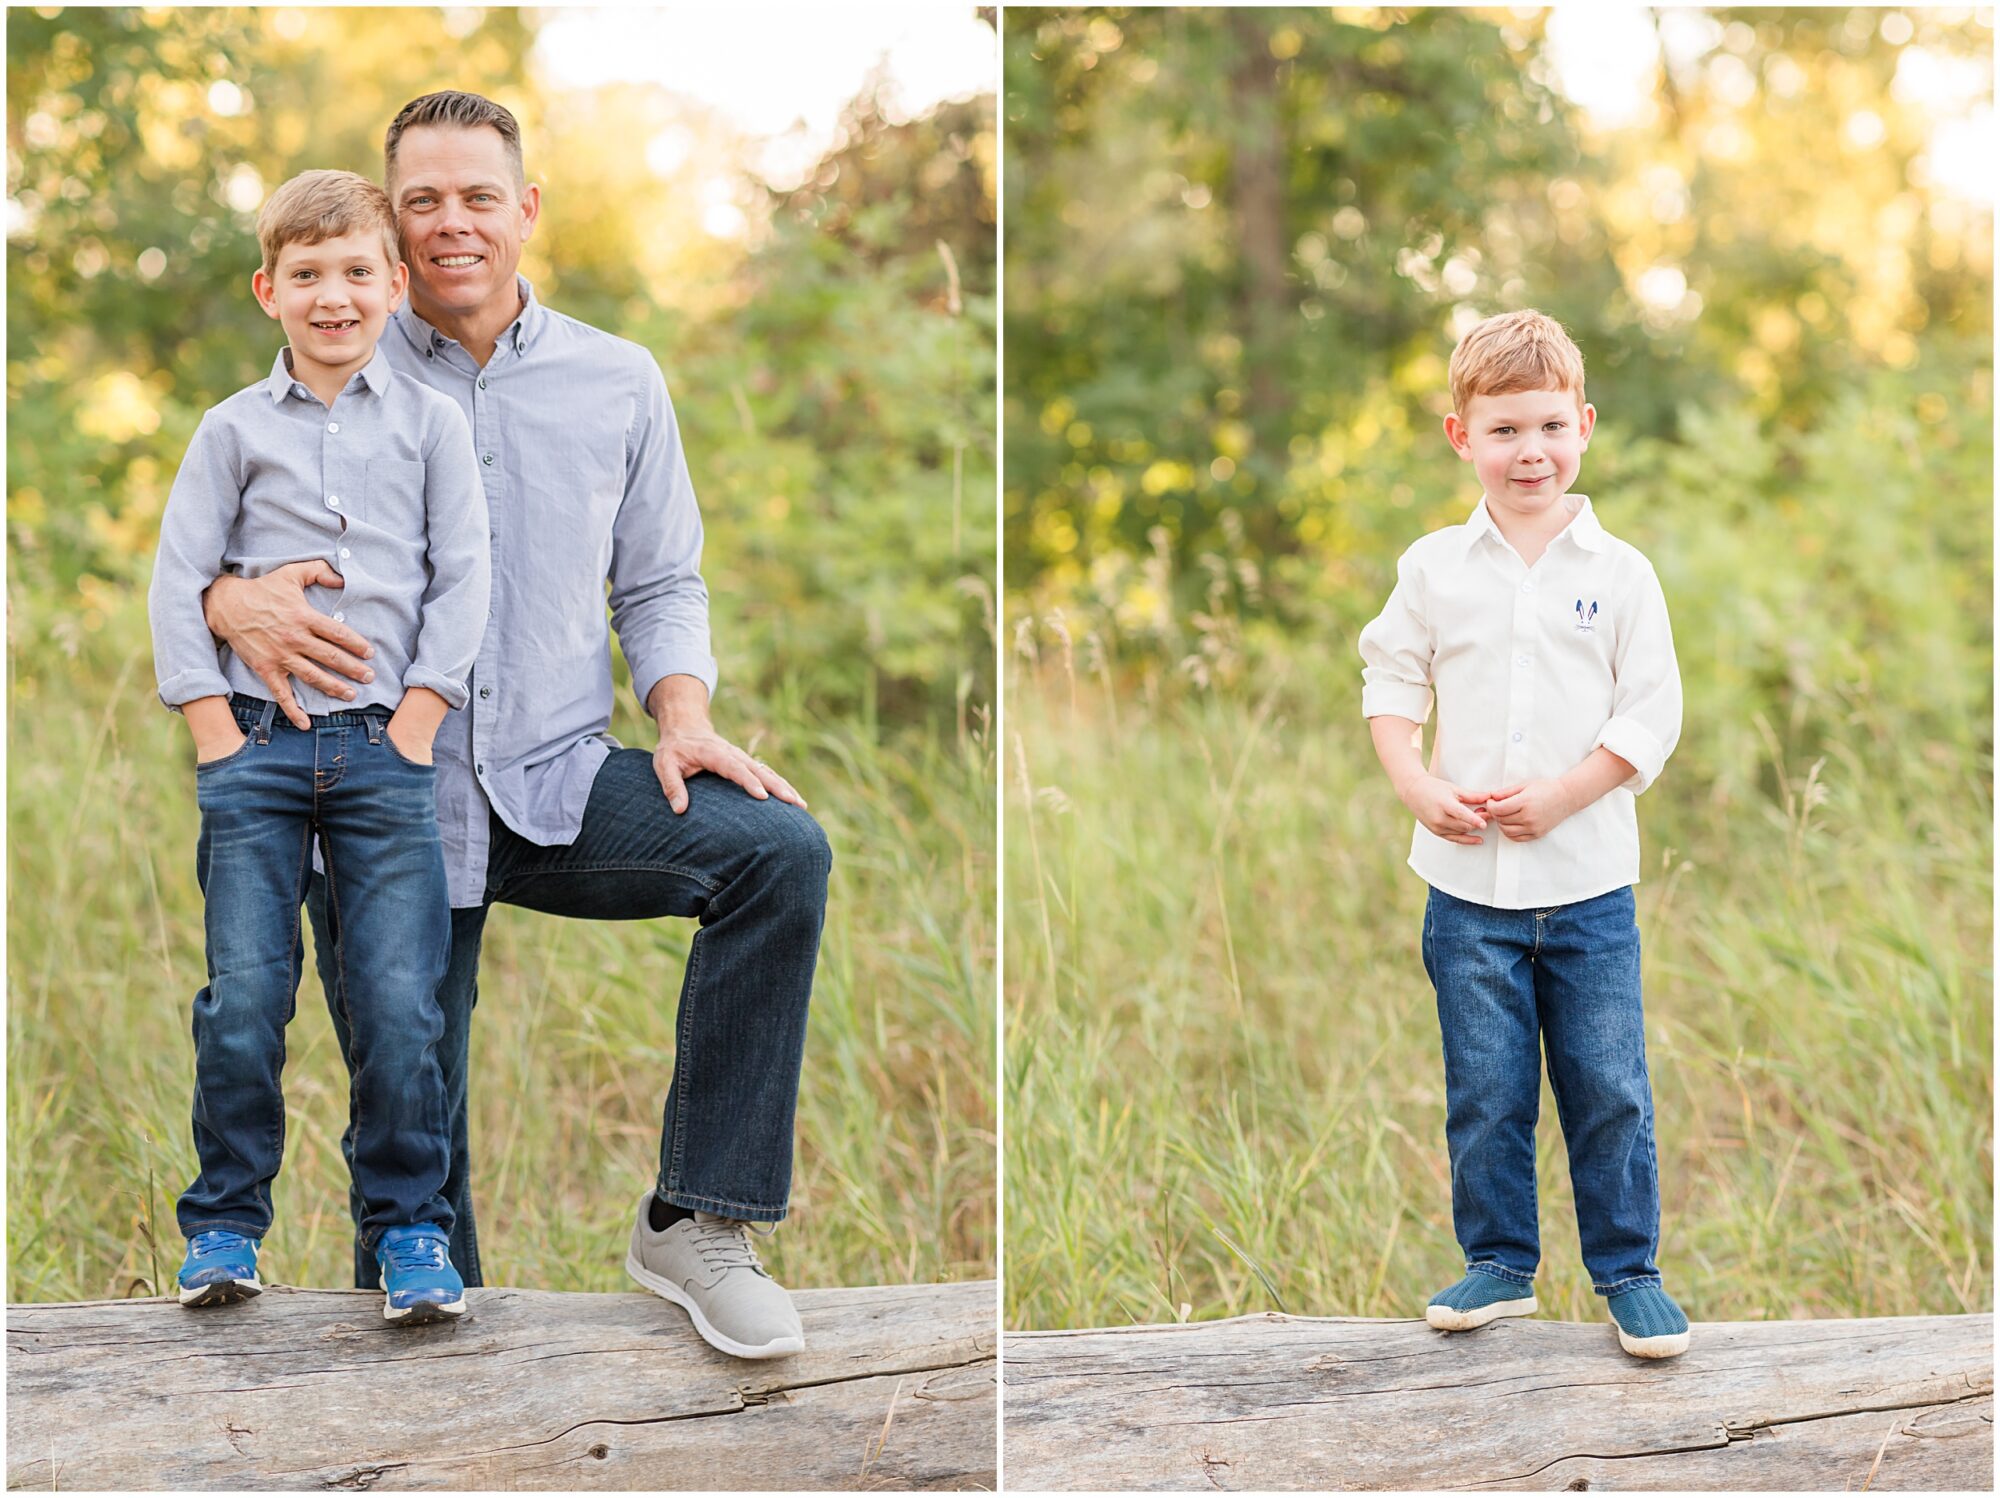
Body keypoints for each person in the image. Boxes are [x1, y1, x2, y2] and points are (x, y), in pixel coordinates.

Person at [198, 93, 832, 1361]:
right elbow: (207, 557)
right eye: (419, 200)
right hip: (374, 786)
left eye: (477, 196)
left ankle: (699, 1225)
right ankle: (434, 1382)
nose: (450, 224)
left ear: (524, 209)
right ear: (387, 220)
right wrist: (228, 601)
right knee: (411, 1125)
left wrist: (683, 714)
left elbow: (657, 584)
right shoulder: (331, 363)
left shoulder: (618, 380)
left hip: (553, 772)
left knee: (777, 853)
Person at [149, 169, 490, 1325]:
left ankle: (408, 1231)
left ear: (395, 285)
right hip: (254, 752)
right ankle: (225, 1227)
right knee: (244, 1002)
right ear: (268, 289)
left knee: (401, 1003)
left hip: (384, 761)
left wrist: (417, 724)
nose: (333, 296)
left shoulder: (433, 423)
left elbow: (464, 580)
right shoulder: (231, 429)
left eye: (355, 272)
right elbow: (177, 576)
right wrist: (209, 729)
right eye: (307, 275)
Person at [1357, 309, 1689, 1359]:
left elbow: (1650, 711)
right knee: (1486, 1090)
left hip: (1585, 883)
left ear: (1582, 426)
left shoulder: (1619, 571)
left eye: (1548, 425)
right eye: (1503, 430)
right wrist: (1414, 781)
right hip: (1465, 895)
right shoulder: (1431, 568)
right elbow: (1389, 680)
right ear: (1461, 438)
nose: (1528, 451)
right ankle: (1499, 1261)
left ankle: (1628, 1271)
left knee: (1607, 1088)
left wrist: (1568, 792)